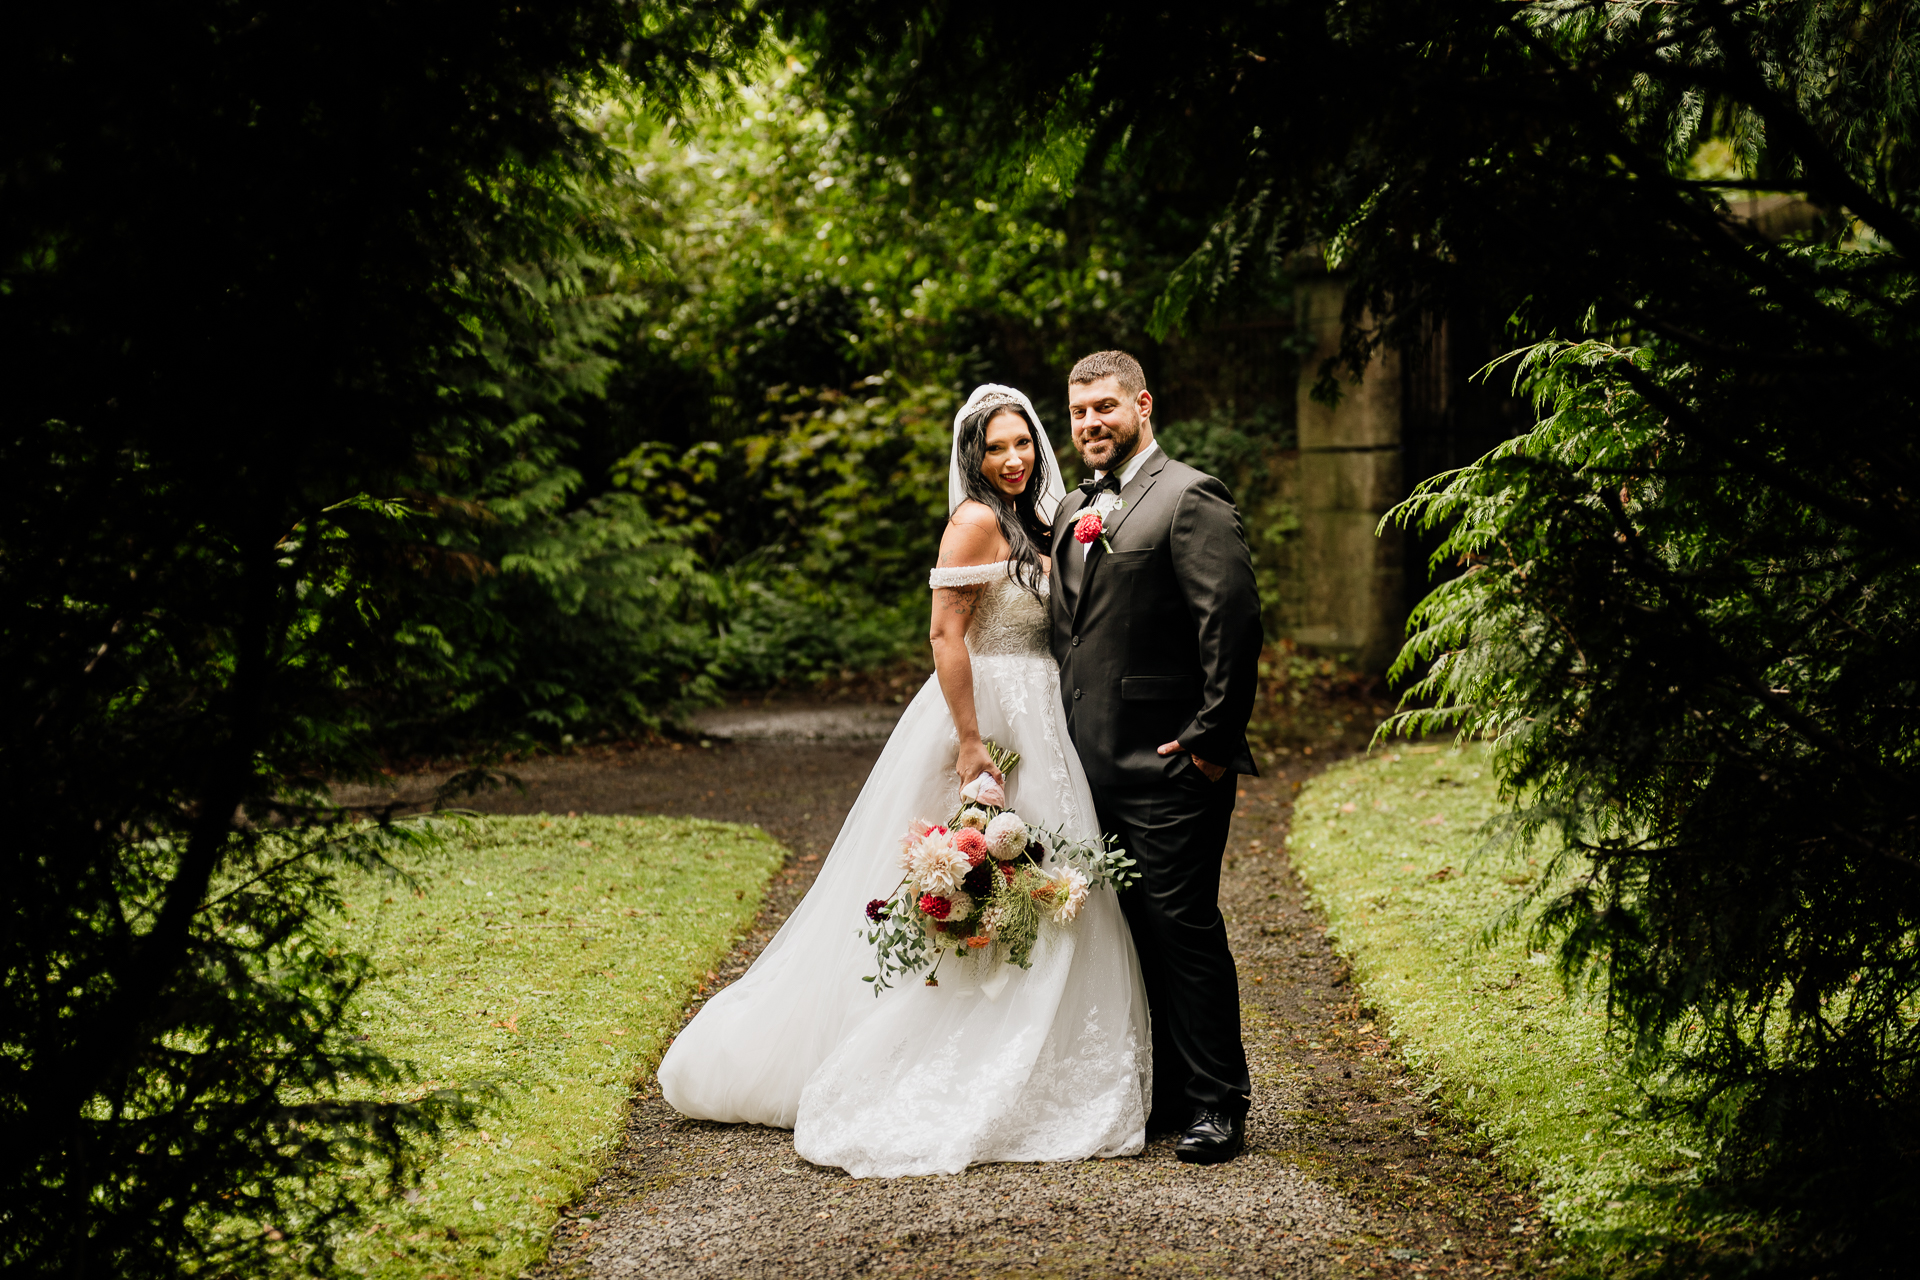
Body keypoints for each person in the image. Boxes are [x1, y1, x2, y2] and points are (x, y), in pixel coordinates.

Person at [657, 383, 1151, 1179]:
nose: (1015, 458)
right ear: (973, 457)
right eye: (996, 448)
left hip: (1043, 711)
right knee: (977, 876)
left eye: (1023, 442)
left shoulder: (1039, 515)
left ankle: (1051, 1050)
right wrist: (968, 742)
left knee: (1049, 879)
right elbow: (944, 632)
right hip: (987, 713)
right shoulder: (976, 520)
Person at [1051, 349, 1264, 1165]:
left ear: (1142, 404)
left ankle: (1218, 1102)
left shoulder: (1188, 496)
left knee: (1182, 926)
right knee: (1124, 933)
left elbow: (1231, 625)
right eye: (1077, 413)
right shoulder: (1074, 506)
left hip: (1171, 763)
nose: (1090, 424)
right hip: (1087, 766)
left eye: (1104, 406)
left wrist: (1211, 742)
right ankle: (1165, 1092)